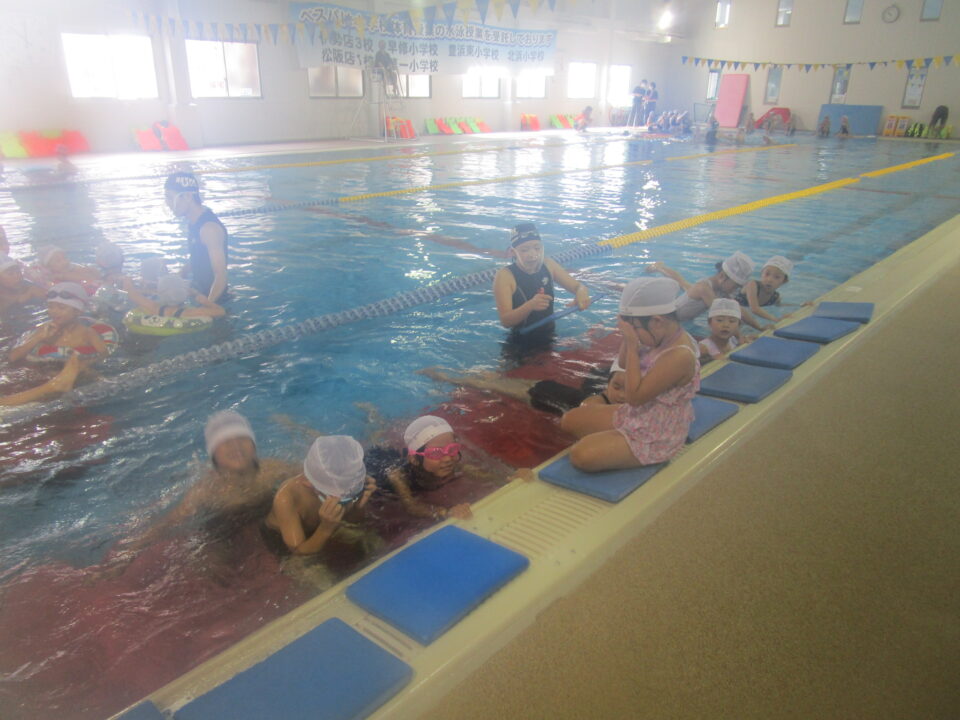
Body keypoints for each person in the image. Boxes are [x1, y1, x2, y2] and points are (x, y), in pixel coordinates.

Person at [559, 277, 699, 472]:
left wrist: (633, 345)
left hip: (657, 433)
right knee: (569, 420)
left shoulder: (679, 355)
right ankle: (612, 444)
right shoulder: (659, 336)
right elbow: (625, 363)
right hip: (637, 415)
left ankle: (630, 450)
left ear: (657, 321)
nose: (635, 335)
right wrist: (628, 336)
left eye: (636, 329)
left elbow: (634, 398)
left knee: (580, 455)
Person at [115, 411, 298, 553]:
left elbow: (309, 471)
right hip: (222, 527)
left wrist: (294, 427)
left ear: (254, 445)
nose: (236, 446)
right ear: (213, 455)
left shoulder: (272, 470)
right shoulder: (207, 490)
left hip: (266, 517)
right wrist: (128, 554)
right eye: (225, 442)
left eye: (242, 439)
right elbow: (168, 523)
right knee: (211, 561)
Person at [264, 435, 376, 556]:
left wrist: (358, 507)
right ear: (308, 483)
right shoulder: (286, 498)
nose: (342, 496)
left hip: (323, 526)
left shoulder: (347, 482)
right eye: (335, 493)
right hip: (282, 538)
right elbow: (298, 551)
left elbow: (353, 522)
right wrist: (325, 528)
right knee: (312, 567)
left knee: (370, 540)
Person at [493, 223, 591, 344]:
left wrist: (582, 292)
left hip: (550, 334)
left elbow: (578, 286)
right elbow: (505, 321)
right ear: (513, 252)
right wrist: (530, 306)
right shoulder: (505, 276)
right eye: (524, 250)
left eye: (537, 248)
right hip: (520, 341)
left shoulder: (549, 265)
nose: (533, 254)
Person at [365, 416, 473, 521]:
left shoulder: (450, 460)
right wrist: (446, 512)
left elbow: (470, 469)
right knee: (376, 446)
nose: (448, 458)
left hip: (398, 457)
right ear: (414, 459)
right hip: (376, 463)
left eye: (452, 449)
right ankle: (374, 424)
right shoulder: (398, 476)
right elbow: (412, 507)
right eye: (435, 453)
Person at [419, 361, 625, 416]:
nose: (621, 395)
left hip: (549, 387)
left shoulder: (604, 398)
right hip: (537, 395)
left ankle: (488, 376)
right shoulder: (599, 407)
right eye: (616, 386)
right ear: (608, 385)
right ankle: (443, 377)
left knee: (495, 382)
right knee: (485, 385)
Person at [164, 172, 229, 303]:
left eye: (170, 198)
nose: (168, 204)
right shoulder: (193, 223)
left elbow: (221, 277)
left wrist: (208, 307)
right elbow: (199, 258)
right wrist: (178, 276)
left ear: (187, 196)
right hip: (199, 293)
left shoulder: (209, 229)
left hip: (216, 300)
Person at [9, 282, 108, 363]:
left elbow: (104, 356)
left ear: (78, 311)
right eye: (50, 307)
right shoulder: (45, 330)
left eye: (61, 307)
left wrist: (81, 366)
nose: (54, 311)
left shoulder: (87, 334)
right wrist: (38, 338)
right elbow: (12, 358)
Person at [647, 251, 754, 323]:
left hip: (684, 310)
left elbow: (737, 309)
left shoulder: (721, 289)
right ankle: (659, 268)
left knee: (684, 284)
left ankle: (660, 267)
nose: (736, 290)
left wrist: (759, 328)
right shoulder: (704, 289)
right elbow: (724, 314)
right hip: (668, 318)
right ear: (722, 276)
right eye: (735, 286)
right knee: (686, 285)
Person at [123, 273, 226, 320]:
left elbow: (133, 294)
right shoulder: (190, 313)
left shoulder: (154, 307)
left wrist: (127, 280)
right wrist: (202, 299)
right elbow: (221, 311)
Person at [735, 255, 792, 329]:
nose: (769, 279)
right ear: (761, 274)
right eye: (767, 274)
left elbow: (780, 306)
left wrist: (800, 305)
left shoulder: (775, 297)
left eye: (776, 277)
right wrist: (776, 319)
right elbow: (754, 309)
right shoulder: (752, 285)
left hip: (747, 319)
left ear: (783, 281)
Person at [28, 246, 100, 288]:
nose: (64, 262)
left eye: (65, 258)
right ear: (49, 267)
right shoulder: (51, 277)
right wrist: (62, 276)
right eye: (58, 260)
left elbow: (93, 274)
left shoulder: (72, 268)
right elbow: (86, 279)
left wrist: (89, 269)